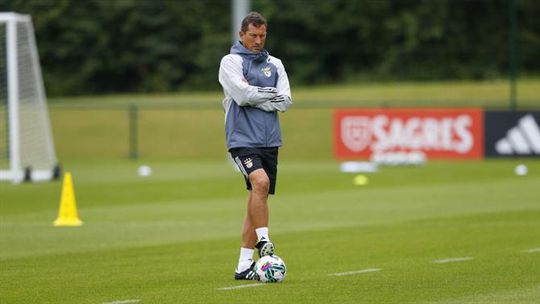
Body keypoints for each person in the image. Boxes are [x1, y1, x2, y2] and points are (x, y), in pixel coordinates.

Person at [218, 11, 292, 280]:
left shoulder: (276, 64)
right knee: (259, 183)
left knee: (256, 197)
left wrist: (256, 94)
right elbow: (240, 94)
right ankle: (265, 243)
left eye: (262, 35)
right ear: (241, 35)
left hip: (270, 139)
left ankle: (243, 266)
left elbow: (286, 100)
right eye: (253, 35)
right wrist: (265, 94)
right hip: (241, 138)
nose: (258, 40)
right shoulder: (231, 62)